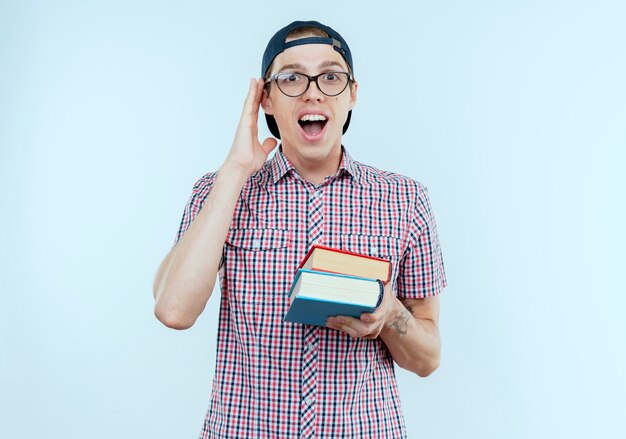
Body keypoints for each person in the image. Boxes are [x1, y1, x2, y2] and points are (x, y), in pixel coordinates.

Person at [153, 20, 446, 439]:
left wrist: (390, 314)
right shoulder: (219, 192)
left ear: (352, 94)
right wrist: (235, 171)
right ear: (266, 99)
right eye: (291, 78)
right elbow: (173, 310)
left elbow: (428, 358)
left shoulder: (405, 199)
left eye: (330, 76)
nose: (312, 91)